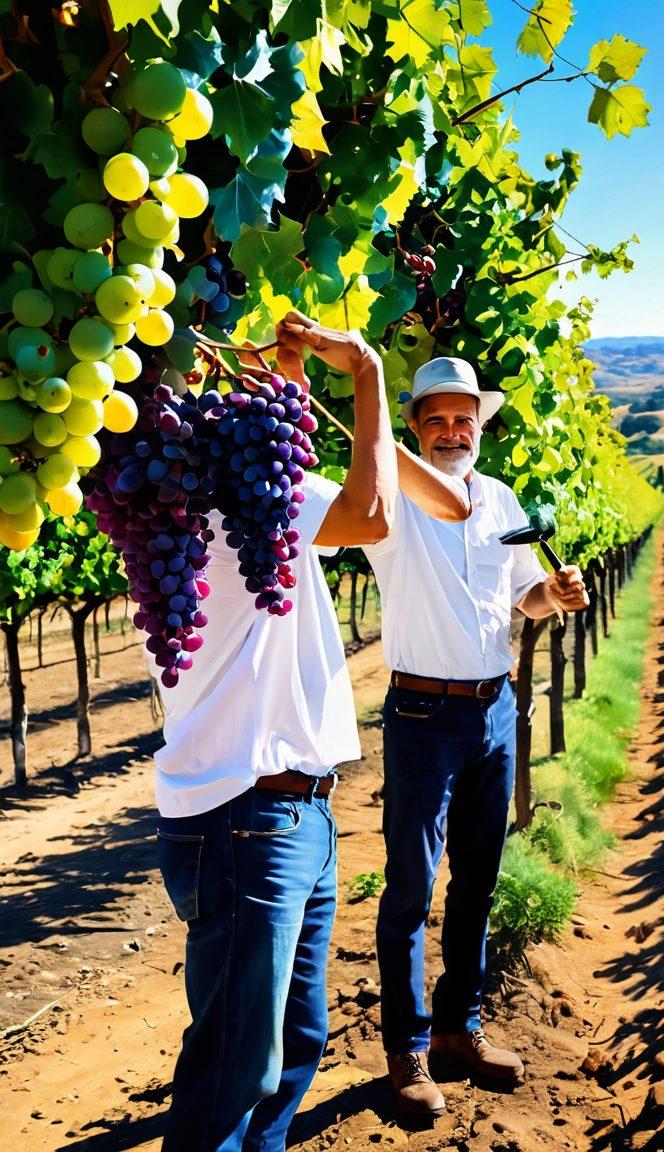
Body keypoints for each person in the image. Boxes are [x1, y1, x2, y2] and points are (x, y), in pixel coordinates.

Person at [150, 315, 465, 1152]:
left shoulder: (179, 514)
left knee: (293, 1046)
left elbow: (279, 454)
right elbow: (372, 514)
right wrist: (363, 373)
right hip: (254, 825)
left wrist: (282, 379)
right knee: (234, 1073)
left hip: (275, 818)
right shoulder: (259, 503)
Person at [362, 356, 589, 1119]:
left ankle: (462, 1028)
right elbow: (364, 479)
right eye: (437, 420)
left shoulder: (499, 498)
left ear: (480, 427)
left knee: (478, 882)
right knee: (409, 891)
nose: (454, 431)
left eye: (466, 419)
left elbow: (519, 595)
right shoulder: (390, 498)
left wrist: (550, 595)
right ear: (415, 429)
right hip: (421, 719)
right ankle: (408, 1050)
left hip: (495, 712)